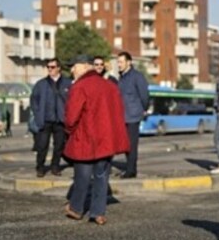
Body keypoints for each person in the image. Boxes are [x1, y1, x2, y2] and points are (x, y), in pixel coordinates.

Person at [63, 55, 129, 226]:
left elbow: (71, 118)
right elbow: (118, 112)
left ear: (85, 66)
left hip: (85, 139)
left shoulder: (80, 86)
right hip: (106, 140)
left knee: (82, 177)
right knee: (101, 177)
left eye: (74, 66)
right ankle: (98, 213)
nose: (71, 70)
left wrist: (69, 131)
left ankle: (76, 209)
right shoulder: (110, 86)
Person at [31, 58, 71, 177]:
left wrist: (67, 116)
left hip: (60, 120)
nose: (50, 69)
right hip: (45, 120)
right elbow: (34, 101)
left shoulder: (67, 83)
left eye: (52, 67)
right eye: (48, 67)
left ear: (59, 68)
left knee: (59, 146)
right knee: (42, 145)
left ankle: (55, 166)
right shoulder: (41, 84)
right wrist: (38, 116)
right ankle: (40, 167)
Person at [116, 51, 149, 179]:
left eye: (121, 62)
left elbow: (144, 95)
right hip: (122, 116)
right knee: (125, 144)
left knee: (131, 144)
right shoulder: (121, 78)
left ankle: (131, 170)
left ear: (129, 62)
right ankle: (129, 168)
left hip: (133, 115)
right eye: (118, 62)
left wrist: (143, 109)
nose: (118, 64)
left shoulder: (137, 76)